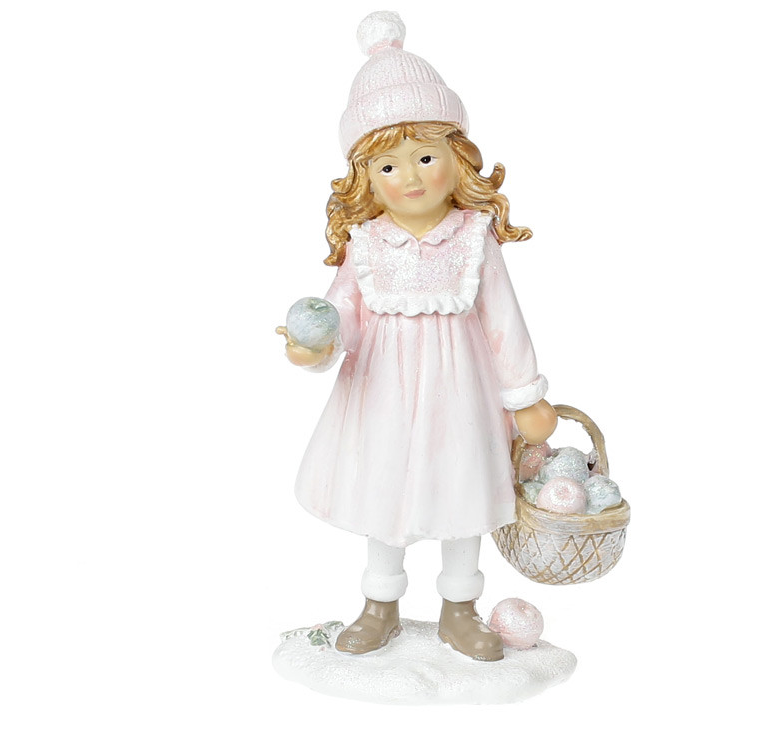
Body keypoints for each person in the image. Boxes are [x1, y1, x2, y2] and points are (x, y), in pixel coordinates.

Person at [279, 11, 556, 662]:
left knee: (462, 486)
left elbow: (503, 320)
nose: (410, 177)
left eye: (425, 158)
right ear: (366, 179)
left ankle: (460, 607)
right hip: (382, 394)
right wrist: (317, 342)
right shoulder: (367, 242)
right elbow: (343, 310)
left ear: (456, 159)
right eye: (389, 165)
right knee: (384, 489)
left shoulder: (473, 237)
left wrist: (526, 395)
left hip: (462, 393)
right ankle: (380, 603)